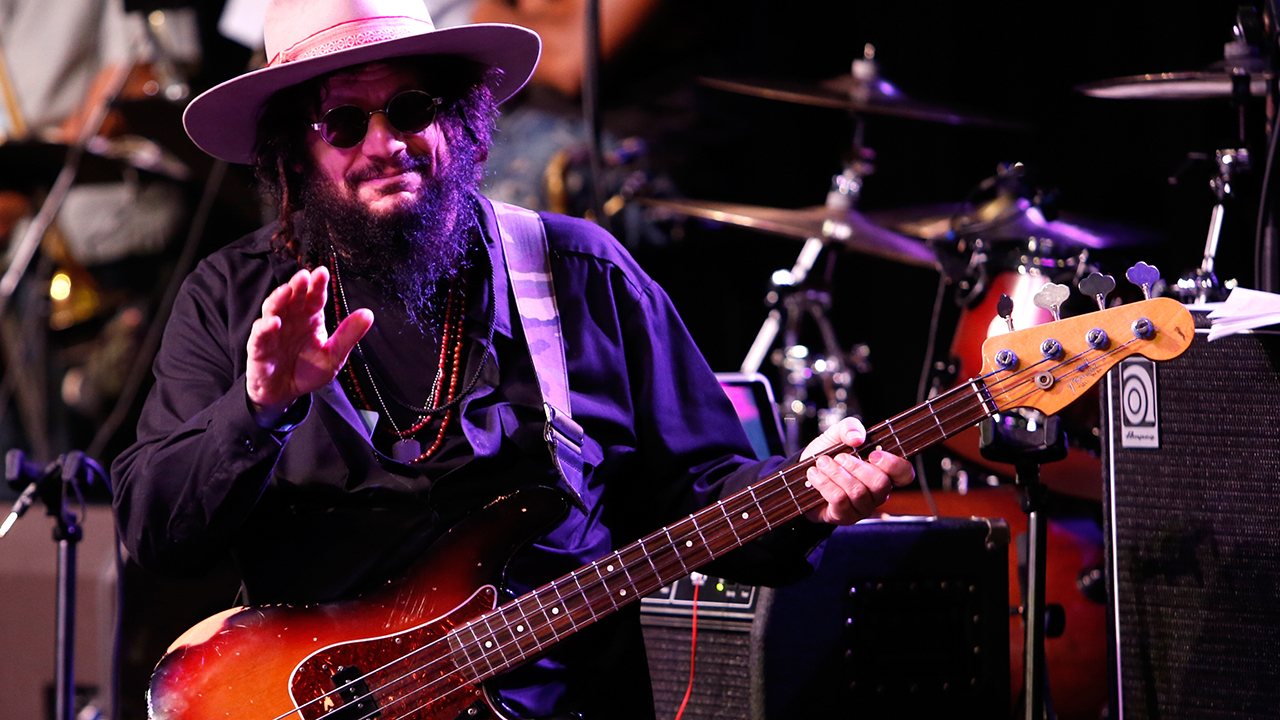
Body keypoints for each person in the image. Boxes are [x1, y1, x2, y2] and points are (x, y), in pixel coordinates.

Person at [110, 0, 915, 718]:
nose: (386, 144)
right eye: (344, 124)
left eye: (411, 108)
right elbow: (159, 535)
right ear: (294, 152)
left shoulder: (581, 273)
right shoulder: (230, 298)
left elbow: (700, 488)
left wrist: (805, 495)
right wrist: (259, 411)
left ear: (458, 117)